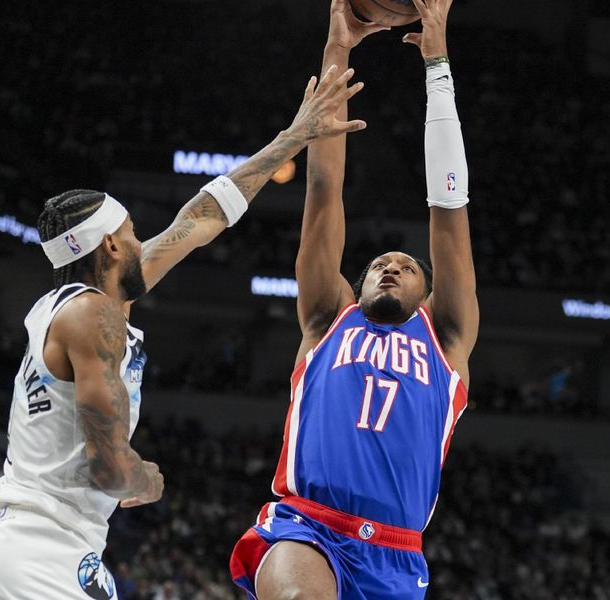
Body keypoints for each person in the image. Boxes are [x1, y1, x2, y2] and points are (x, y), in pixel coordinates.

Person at [0, 65, 366, 600]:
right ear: (111, 247)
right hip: (40, 554)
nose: (143, 241)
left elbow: (201, 218)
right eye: (132, 232)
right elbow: (110, 471)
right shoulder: (94, 318)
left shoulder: (86, 303)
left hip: (37, 547)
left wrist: (293, 137)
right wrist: (145, 477)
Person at [230, 1, 478, 598]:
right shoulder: (326, 318)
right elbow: (323, 187)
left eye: (405, 266)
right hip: (307, 527)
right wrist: (337, 49)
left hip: (396, 555)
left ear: (428, 294)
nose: (389, 266)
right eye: (376, 265)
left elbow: (449, 207)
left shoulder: (445, 340)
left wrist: (437, 64)